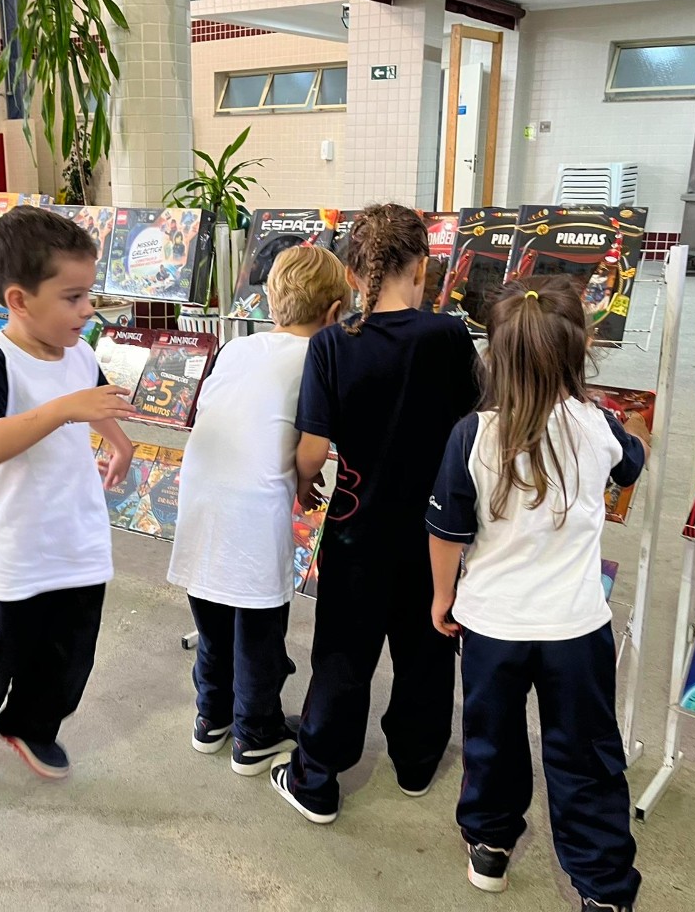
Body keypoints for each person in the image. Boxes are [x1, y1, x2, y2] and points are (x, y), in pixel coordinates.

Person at [425, 277, 649, 912]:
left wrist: (442, 598)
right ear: (581, 350)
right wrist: (635, 426)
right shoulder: (599, 426)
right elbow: (632, 463)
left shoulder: (472, 434)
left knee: (490, 740)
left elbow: (446, 532)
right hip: (576, 629)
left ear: (493, 354)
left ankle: (490, 845)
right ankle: (603, 888)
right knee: (587, 756)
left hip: (491, 625)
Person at [270, 204, 480, 824]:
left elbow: (312, 450)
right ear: (422, 269)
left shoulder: (333, 344)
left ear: (352, 275)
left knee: (342, 653)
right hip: (434, 532)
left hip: (355, 529)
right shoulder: (448, 336)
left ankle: (317, 777)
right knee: (428, 649)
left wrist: (303, 485)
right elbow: (476, 425)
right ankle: (416, 762)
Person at [0, 206, 136, 783]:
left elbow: (94, 400)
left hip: (78, 538)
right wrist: (62, 409)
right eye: (73, 297)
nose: (88, 308)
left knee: (70, 656)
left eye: (89, 294)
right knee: (0, 652)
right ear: (20, 300)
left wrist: (118, 443)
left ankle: (31, 725)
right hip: (20, 547)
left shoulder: (80, 353)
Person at [167, 246, 350, 776]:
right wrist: (307, 479)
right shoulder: (319, 357)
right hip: (254, 516)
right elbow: (309, 447)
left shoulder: (235, 348)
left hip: (201, 503)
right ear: (335, 313)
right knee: (258, 633)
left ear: (270, 302)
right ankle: (255, 733)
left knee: (213, 624)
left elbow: (233, 418)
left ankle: (211, 718)